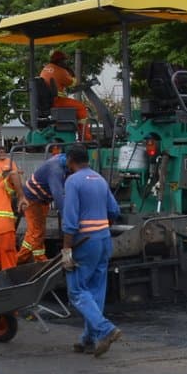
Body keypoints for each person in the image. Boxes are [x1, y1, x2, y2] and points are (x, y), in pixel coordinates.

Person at [60, 145, 121, 357]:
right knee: (96, 290)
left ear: (70, 161)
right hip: (104, 239)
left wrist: (66, 249)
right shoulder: (100, 179)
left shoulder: (73, 181)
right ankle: (88, 338)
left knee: (77, 291)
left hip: (85, 241)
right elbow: (114, 210)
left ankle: (105, 330)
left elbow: (70, 220)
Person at [18, 144, 66, 264]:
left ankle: (19, 259)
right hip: (33, 199)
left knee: (34, 231)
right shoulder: (56, 169)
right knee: (37, 231)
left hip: (40, 200)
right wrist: (67, 216)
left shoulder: (60, 161)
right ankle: (40, 261)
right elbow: (58, 196)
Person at [40, 50, 90, 138]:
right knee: (81, 107)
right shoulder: (61, 71)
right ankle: (85, 137)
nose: (65, 63)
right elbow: (74, 83)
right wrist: (70, 72)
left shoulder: (45, 68)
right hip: (57, 101)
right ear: (60, 61)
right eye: (64, 61)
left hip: (47, 102)